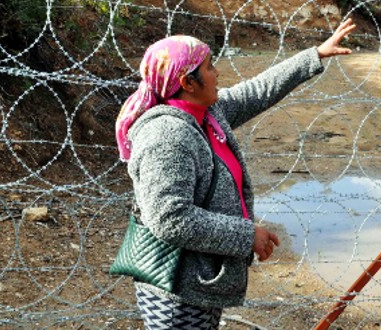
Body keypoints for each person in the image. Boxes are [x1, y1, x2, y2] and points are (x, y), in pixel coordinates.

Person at [115, 18, 356, 330]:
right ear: (188, 84)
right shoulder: (166, 136)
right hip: (174, 290)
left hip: (198, 279)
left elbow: (257, 91)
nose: (217, 74)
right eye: (210, 67)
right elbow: (170, 218)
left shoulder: (206, 113)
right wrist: (247, 235)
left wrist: (316, 55)